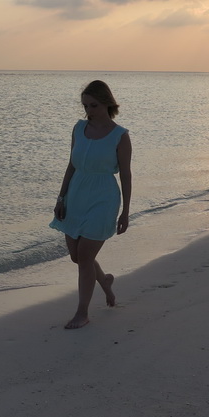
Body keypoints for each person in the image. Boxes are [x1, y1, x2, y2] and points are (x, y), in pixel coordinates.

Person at [49, 80, 132, 329]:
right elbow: (71, 165)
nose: (88, 111)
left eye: (93, 105)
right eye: (85, 106)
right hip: (76, 195)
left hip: (103, 198)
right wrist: (61, 198)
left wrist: (126, 212)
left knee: (85, 256)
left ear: (107, 103)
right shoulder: (79, 128)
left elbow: (126, 175)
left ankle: (82, 313)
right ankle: (104, 281)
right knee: (77, 256)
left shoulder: (120, 136)